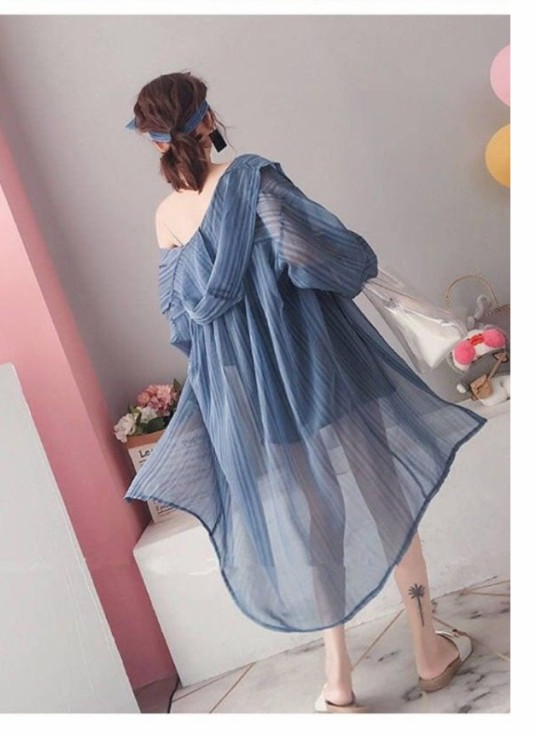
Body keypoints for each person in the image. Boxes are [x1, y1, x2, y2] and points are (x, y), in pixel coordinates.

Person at [123, 71, 485, 713]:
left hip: (261, 389)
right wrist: (354, 263)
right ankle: (428, 651)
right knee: (386, 494)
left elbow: (180, 317)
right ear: (208, 120)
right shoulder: (255, 178)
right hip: (323, 361)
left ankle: (337, 678)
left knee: (317, 518)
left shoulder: (166, 217)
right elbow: (319, 255)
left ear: (154, 141)